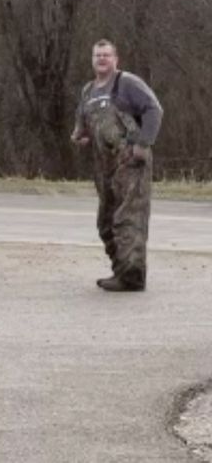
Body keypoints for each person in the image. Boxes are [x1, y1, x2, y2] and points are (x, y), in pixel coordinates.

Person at [71, 39, 163, 292]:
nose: (102, 59)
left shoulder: (127, 83)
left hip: (130, 161)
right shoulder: (88, 91)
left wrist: (144, 143)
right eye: (97, 55)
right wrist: (81, 134)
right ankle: (121, 270)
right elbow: (83, 121)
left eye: (106, 55)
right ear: (92, 60)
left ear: (116, 59)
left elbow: (154, 110)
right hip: (104, 165)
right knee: (106, 221)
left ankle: (132, 277)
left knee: (128, 219)